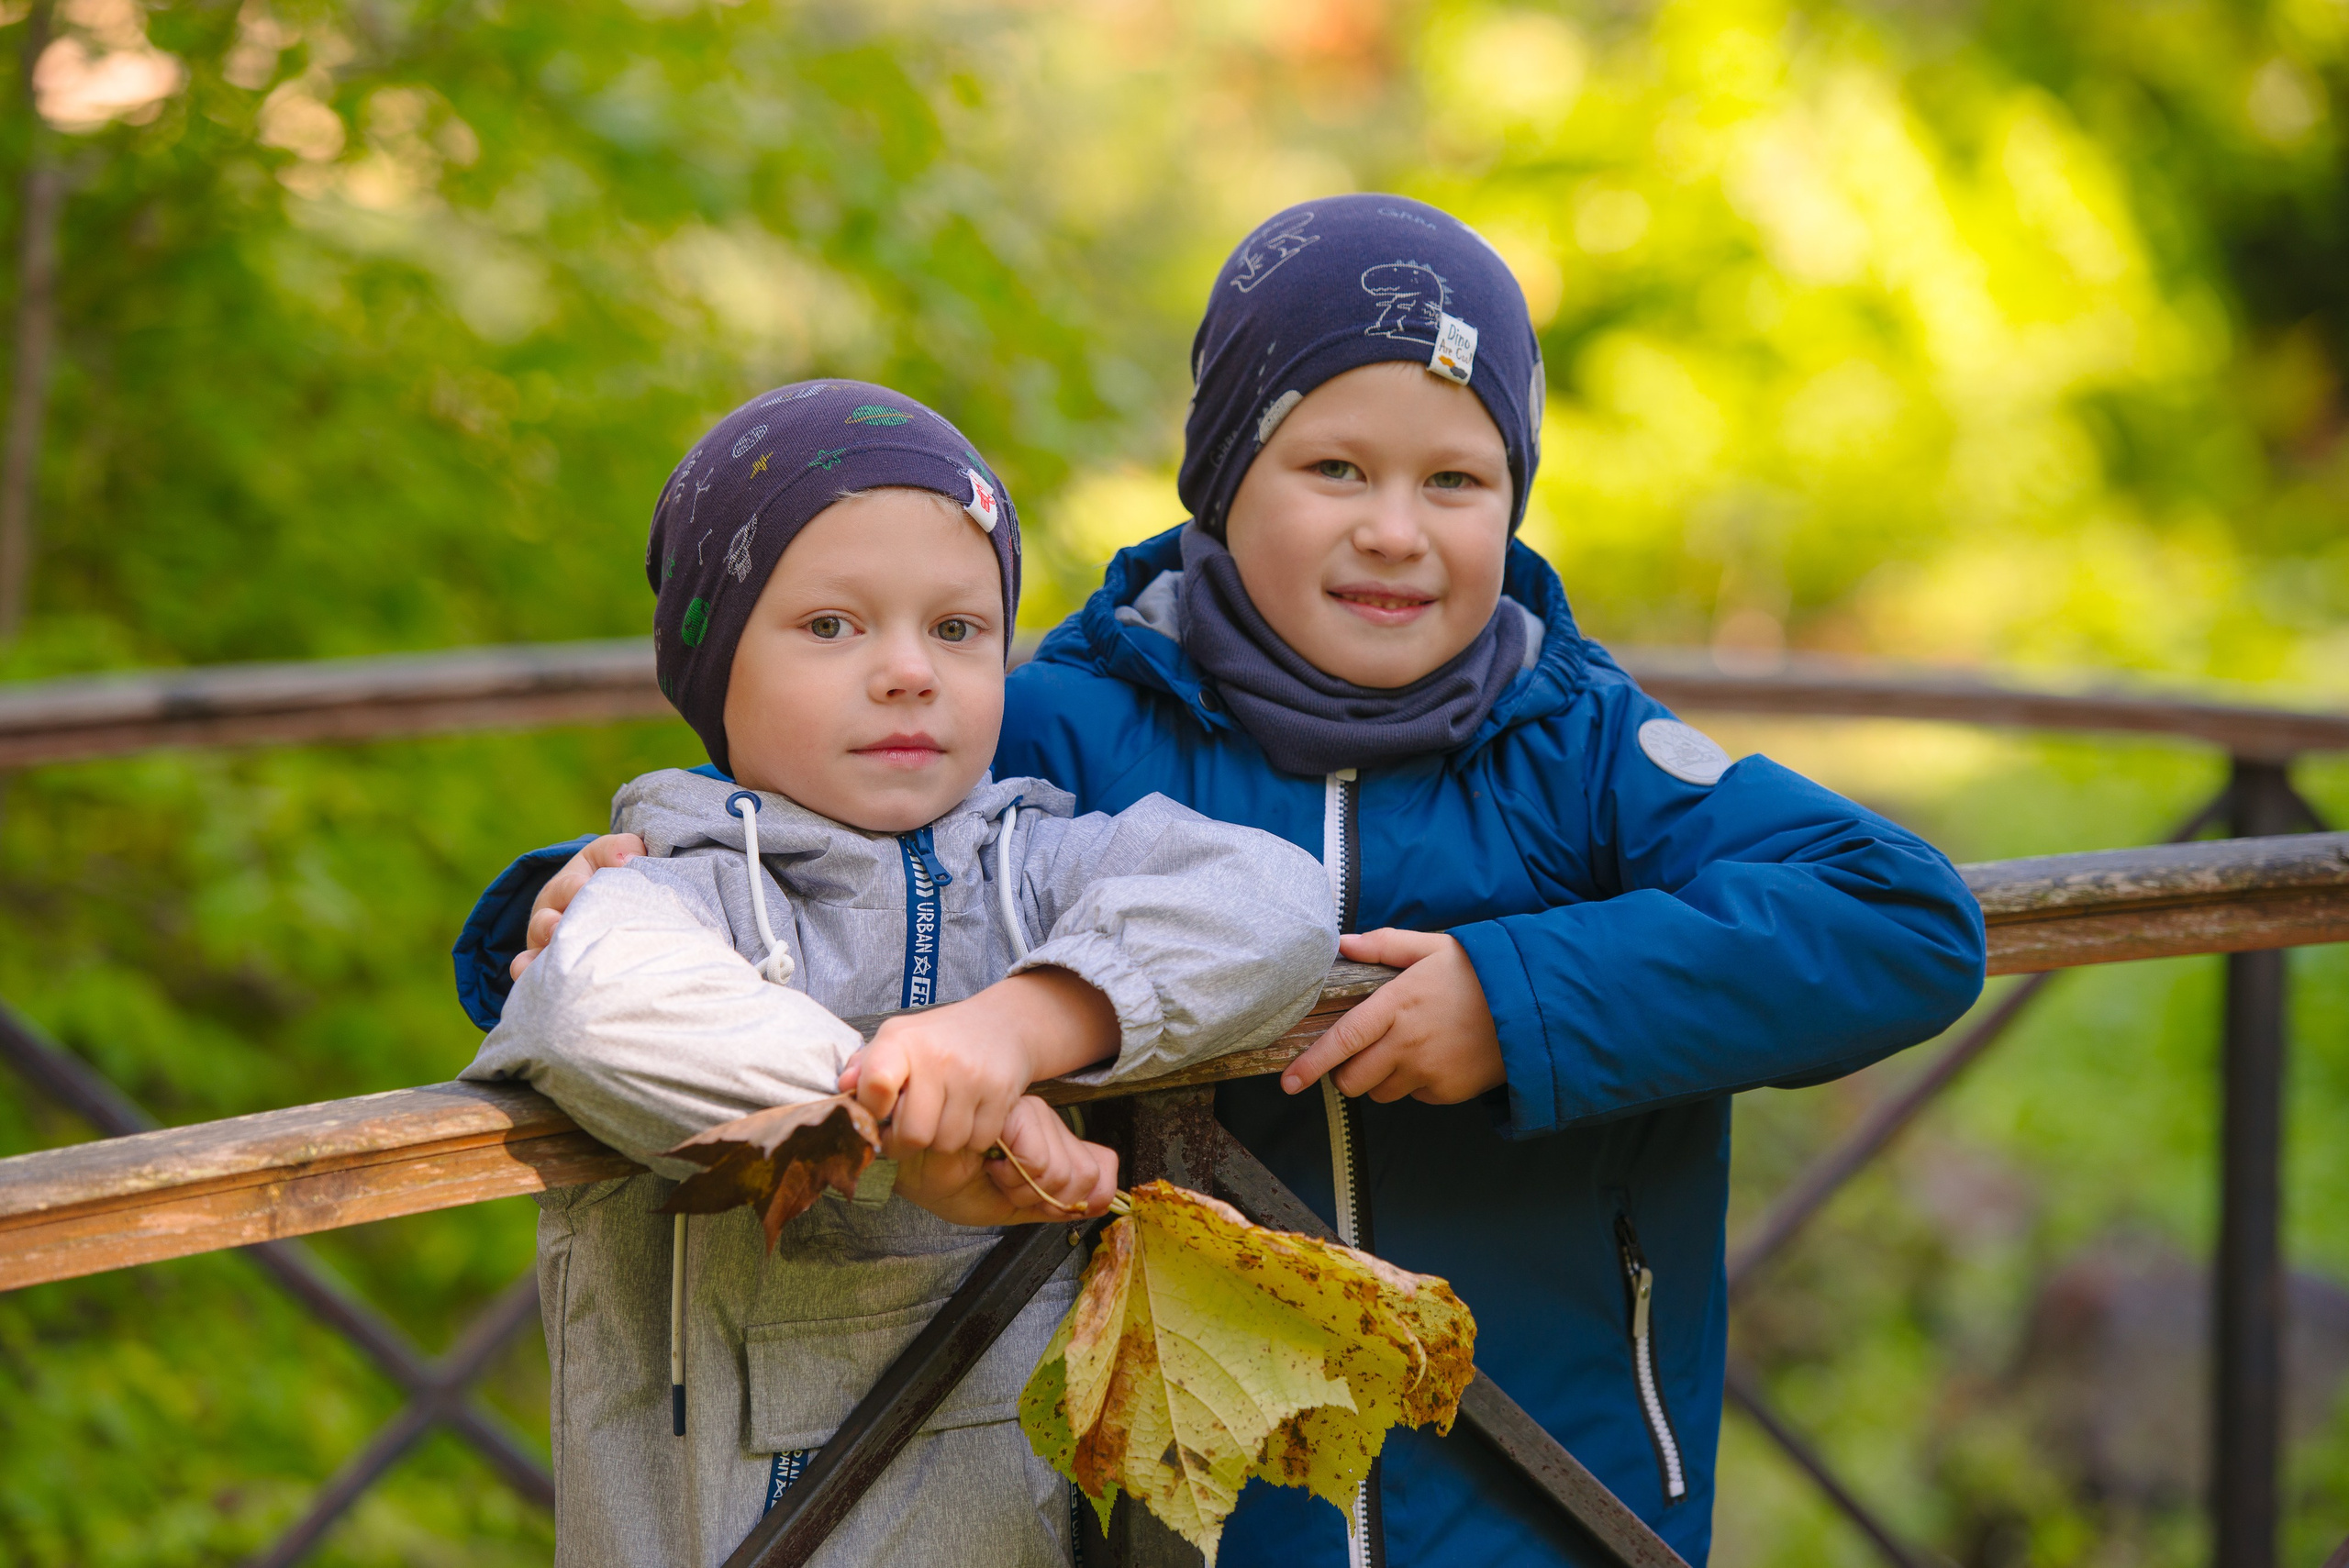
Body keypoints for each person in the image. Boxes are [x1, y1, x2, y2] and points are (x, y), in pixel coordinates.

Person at [462, 198, 1987, 1568]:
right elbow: (828, 849)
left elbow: (1902, 919)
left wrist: (1520, 998)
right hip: (1196, 1515)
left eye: (1457, 478)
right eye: (1334, 466)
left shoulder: (1580, 744)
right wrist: (557, 896)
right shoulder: (1061, 717)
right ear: (1218, 477)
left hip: (1556, 1488)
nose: (1396, 527)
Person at [461, 379, 1338, 1568]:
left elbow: (1279, 901)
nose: (908, 670)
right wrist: (912, 1104)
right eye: (832, 626)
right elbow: (596, 1000)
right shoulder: (681, 887)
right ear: (715, 663)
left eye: (959, 629)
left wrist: (1024, 1027)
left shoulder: (1034, 871)